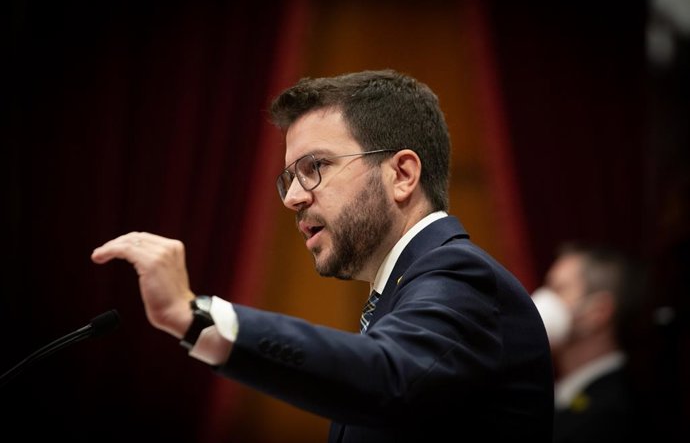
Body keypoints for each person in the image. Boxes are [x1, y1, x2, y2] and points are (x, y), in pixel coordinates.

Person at [91, 69, 554, 442]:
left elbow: (386, 375)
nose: (292, 197)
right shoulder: (405, 289)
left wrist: (195, 317)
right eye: (289, 177)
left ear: (403, 174)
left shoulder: (459, 275)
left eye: (315, 168)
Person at [531, 241, 647, 443]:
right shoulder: (564, 392)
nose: (543, 300)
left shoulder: (612, 411)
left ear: (598, 312)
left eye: (558, 289)